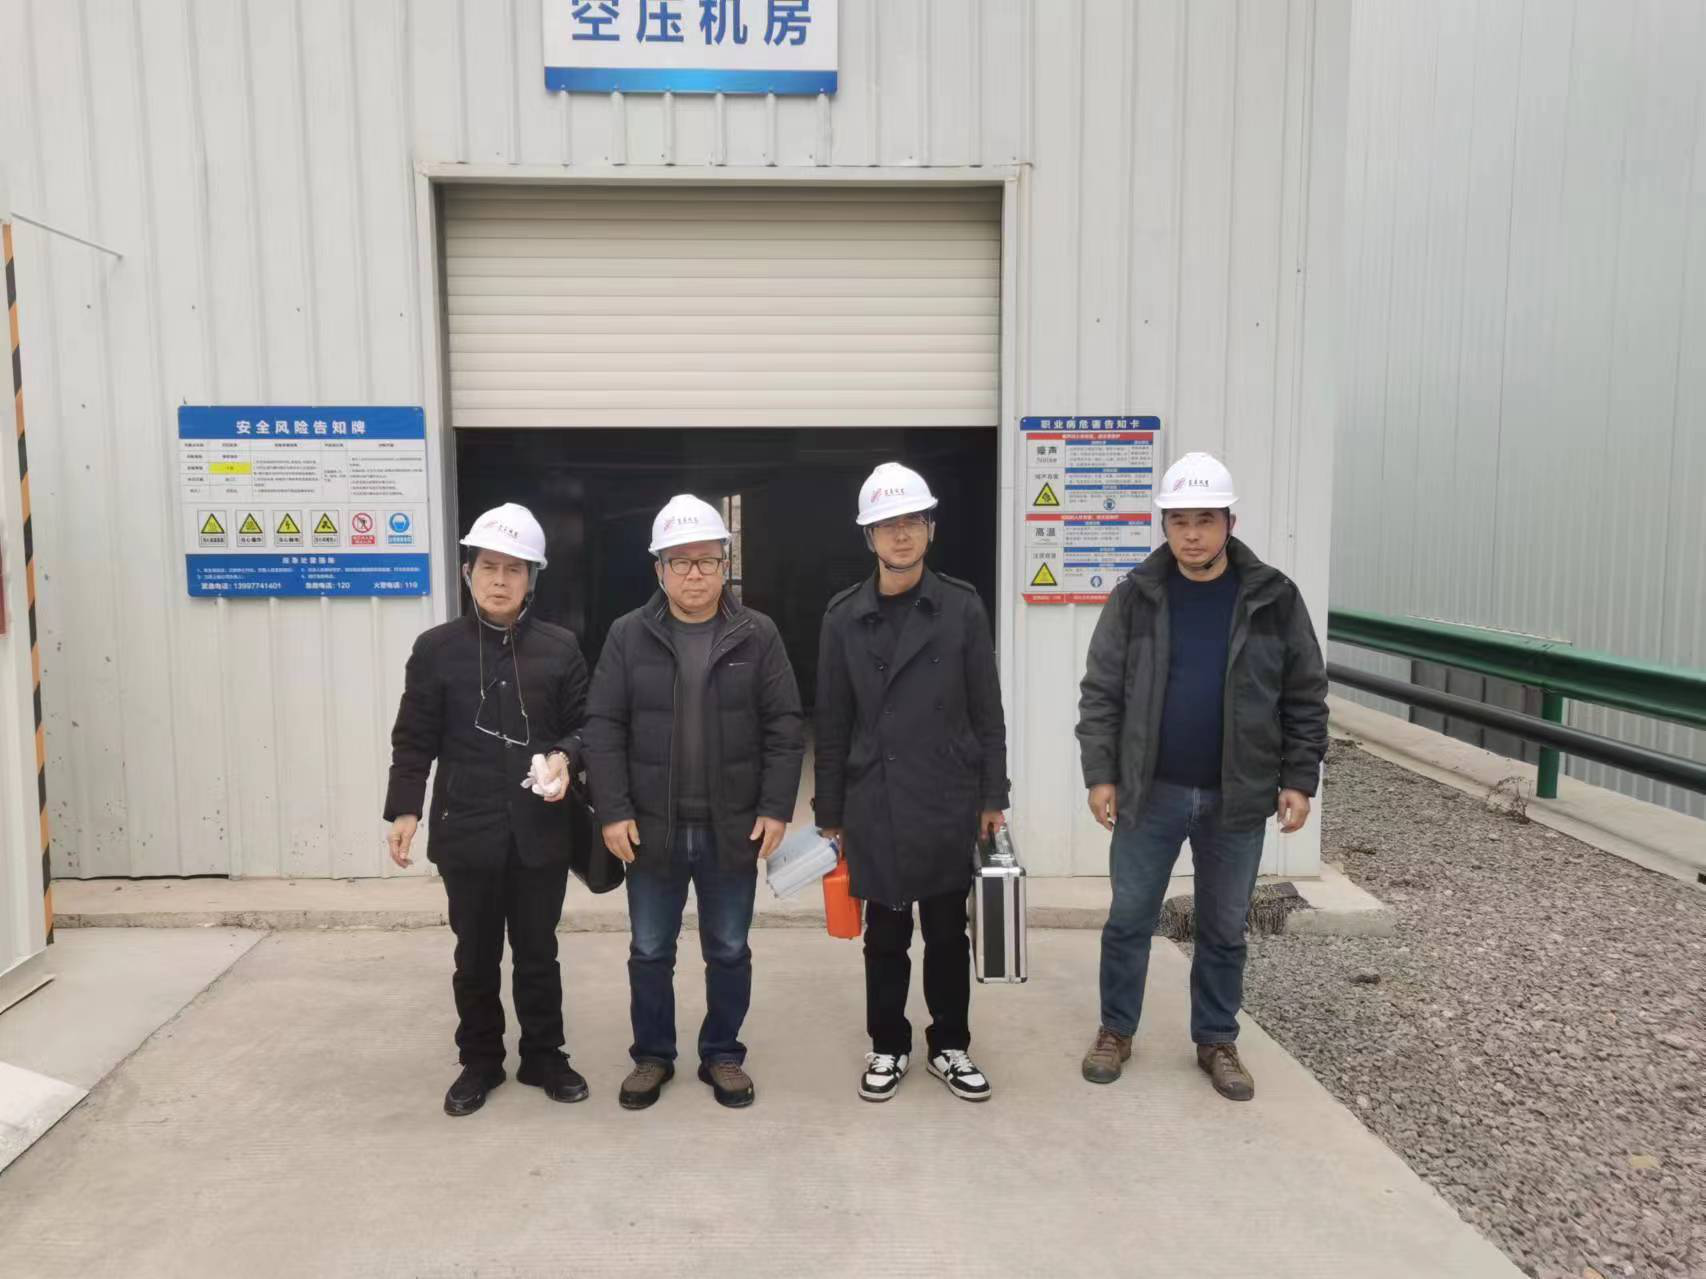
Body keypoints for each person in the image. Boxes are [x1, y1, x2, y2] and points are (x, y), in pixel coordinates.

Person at [1075, 452, 1328, 1101]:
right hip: (1149, 793)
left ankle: (1216, 1038)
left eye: (1205, 520)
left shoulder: (1273, 598)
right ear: (1164, 525)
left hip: (1236, 796)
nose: (1192, 534)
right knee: (1129, 918)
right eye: (1179, 521)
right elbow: (1101, 692)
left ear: (1229, 523)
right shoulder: (1136, 597)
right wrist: (1101, 774)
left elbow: (1304, 695)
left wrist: (1299, 779)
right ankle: (1115, 1029)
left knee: (1223, 925)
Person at [581, 494, 804, 1110]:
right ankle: (652, 1056)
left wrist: (775, 806)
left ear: (725, 564)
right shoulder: (628, 635)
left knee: (728, 949)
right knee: (650, 950)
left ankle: (723, 1053)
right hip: (651, 827)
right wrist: (614, 810)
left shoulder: (757, 634)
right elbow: (603, 727)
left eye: (707, 561)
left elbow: (785, 726)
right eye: (680, 562)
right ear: (659, 570)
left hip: (733, 826)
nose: (695, 575)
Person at [384, 503, 591, 1117]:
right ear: (468, 572)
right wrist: (405, 810)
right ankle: (479, 1060)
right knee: (474, 955)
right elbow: (414, 738)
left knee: (537, 950)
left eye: (514, 570)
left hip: (539, 830)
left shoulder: (560, 648)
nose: (500, 581)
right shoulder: (435, 650)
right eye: (488, 567)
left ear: (532, 579)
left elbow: (588, 726)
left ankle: (544, 1055)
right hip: (465, 828)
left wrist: (566, 757)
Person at [814, 462, 1011, 1104]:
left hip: (948, 796)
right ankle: (888, 1044)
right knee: (887, 934)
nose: (901, 535)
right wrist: (830, 813)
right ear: (868, 536)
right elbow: (832, 722)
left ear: (930, 529)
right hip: (877, 799)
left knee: (948, 933)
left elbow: (986, 709)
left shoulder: (961, 606)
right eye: (887, 525)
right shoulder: (843, 616)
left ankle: (950, 1045)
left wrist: (993, 795)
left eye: (912, 522)